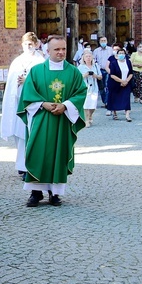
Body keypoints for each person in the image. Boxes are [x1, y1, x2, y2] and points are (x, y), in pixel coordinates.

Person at [18, 35, 86, 207]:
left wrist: (66, 105)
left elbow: (80, 93)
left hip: (62, 121)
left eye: (63, 49)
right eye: (57, 49)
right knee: (38, 151)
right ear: (48, 51)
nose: (61, 52)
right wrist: (43, 104)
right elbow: (27, 94)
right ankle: (35, 193)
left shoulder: (73, 72)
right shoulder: (37, 71)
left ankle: (54, 193)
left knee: (59, 153)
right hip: (42, 119)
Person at [1, 32, 46, 175]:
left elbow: (44, 81)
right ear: (22, 45)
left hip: (33, 104)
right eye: (26, 44)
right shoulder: (17, 61)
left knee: (29, 134)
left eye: (31, 44)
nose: (28, 47)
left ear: (36, 44)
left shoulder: (41, 62)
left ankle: (29, 165)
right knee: (19, 133)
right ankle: (21, 164)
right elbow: (11, 82)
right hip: (18, 101)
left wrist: (28, 81)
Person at [106, 46, 134, 121]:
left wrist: (126, 81)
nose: (121, 55)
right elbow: (112, 75)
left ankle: (127, 115)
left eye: (123, 53)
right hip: (116, 84)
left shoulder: (128, 62)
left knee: (126, 99)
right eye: (120, 53)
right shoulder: (114, 63)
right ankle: (114, 113)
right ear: (117, 55)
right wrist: (121, 81)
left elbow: (131, 73)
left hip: (126, 83)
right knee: (115, 98)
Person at [77, 50, 101, 127]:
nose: (88, 58)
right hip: (85, 88)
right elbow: (77, 78)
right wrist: (85, 75)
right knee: (86, 105)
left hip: (94, 87)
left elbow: (100, 77)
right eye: (86, 56)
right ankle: (86, 120)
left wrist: (95, 75)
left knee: (93, 106)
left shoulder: (96, 66)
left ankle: (90, 115)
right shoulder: (80, 67)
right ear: (83, 58)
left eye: (89, 56)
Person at [93, 36, 114, 108]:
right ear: (99, 42)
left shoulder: (110, 50)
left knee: (108, 86)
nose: (103, 42)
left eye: (104, 40)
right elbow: (94, 61)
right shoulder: (96, 51)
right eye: (102, 41)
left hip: (108, 69)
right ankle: (104, 100)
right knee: (101, 87)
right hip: (100, 70)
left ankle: (107, 102)